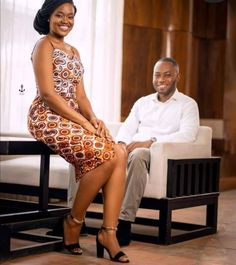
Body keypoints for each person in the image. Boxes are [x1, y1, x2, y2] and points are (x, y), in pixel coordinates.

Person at [27, 0, 129, 262]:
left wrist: (94, 119)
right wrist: (83, 123)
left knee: (118, 152)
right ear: (48, 17)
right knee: (106, 154)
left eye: (70, 16)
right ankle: (73, 221)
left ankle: (109, 232)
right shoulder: (43, 45)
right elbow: (48, 94)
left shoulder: (74, 51)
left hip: (74, 117)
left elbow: (80, 95)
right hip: (48, 116)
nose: (65, 20)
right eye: (59, 15)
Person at [115, 57, 200, 246]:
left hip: (160, 155)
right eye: (157, 75)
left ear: (178, 76)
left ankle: (124, 223)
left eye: (167, 75)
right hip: (134, 149)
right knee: (92, 154)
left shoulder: (187, 104)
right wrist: (121, 144)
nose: (161, 79)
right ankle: (72, 219)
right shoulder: (142, 103)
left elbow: (188, 135)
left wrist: (152, 141)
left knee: (138, 155)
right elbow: (127, 128)